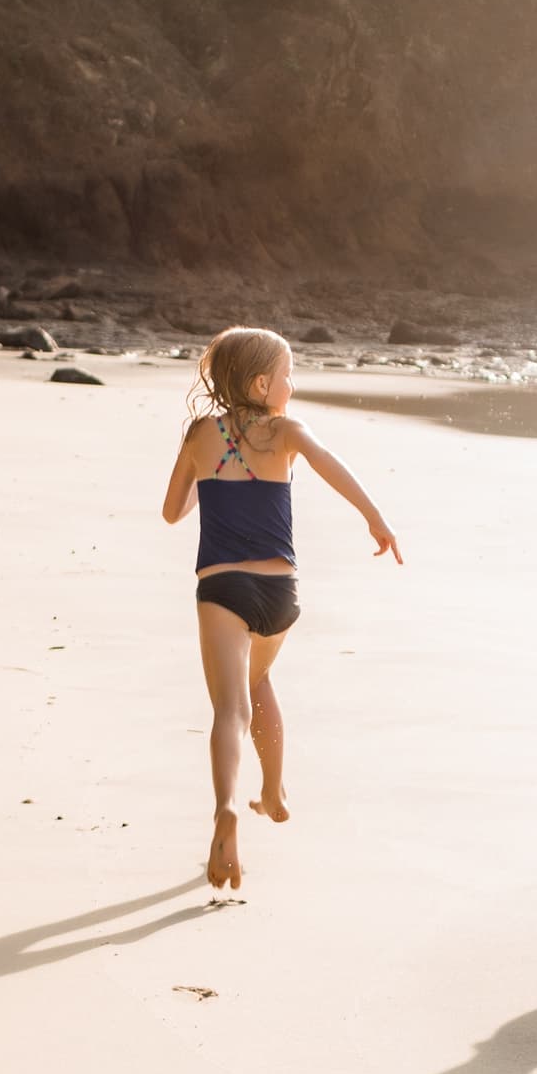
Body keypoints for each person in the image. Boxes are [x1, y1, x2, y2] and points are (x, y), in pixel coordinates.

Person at [158, 328, 399, 891]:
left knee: (229, 710)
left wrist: (204, 474)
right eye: (288, 374)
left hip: (222, 587)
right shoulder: (286, 430)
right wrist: (375, 518)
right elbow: (328, 463)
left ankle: (227, 809)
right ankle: (272, 790)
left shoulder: (200, 434)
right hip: (279, 592)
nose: (292, 384)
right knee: (259, 677)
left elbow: (173, 512)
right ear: (262, 383)